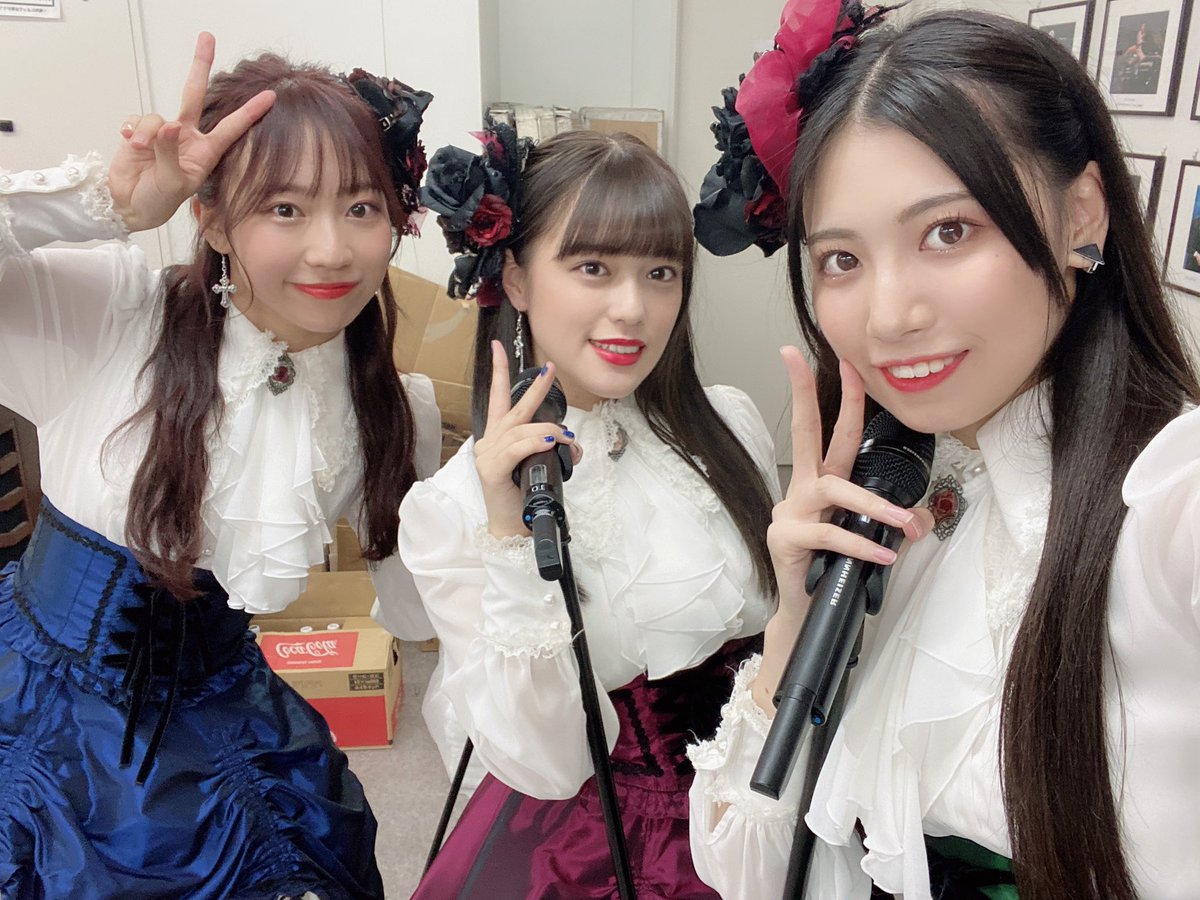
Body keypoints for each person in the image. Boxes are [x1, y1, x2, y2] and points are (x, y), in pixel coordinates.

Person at [688, 4, 1200, 899]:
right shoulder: (903, 487)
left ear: (1082, 215)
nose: (889, 316)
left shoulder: (1167, 499)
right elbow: (748, 869)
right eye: (841, 259)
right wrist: (795, 619)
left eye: (948, 231)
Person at [0, 34, 440, 899]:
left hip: (228, 723)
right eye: (285, 208)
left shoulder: (393, 408)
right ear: (211, 219)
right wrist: (110, 204)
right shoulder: (117, 313)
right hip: (33, 707)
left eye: (361, 207)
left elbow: (420, 617)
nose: (331, 250)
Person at [389, 125, 780, 898]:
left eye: (660, 272)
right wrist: (511, 539)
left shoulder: (730, 425)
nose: (632, 308)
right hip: (598, 850)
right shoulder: (453, 506)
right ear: (518, 279)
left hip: (760, 811)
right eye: (593, 267)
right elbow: (545, 762)